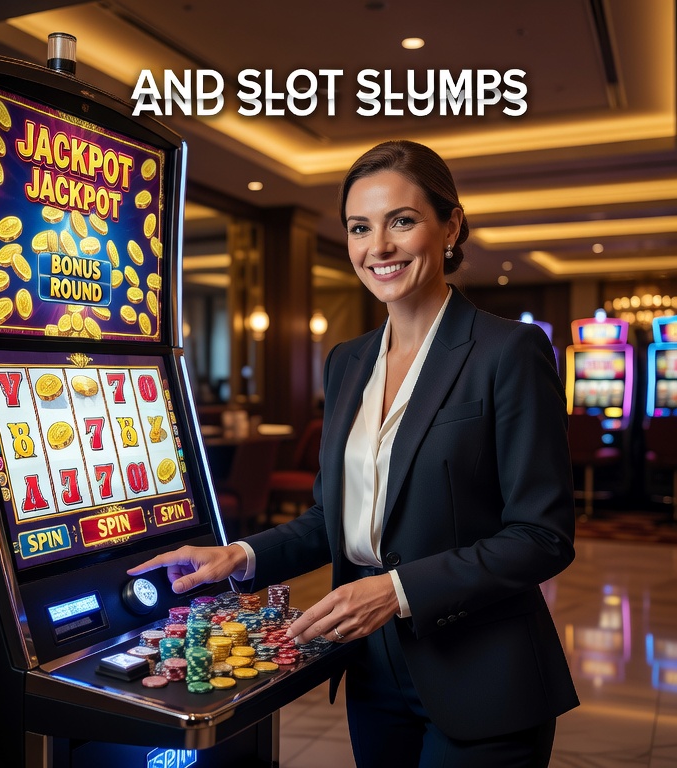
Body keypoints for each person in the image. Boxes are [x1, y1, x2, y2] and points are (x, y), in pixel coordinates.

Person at [129, 140, 578, 767]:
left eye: (402, 221)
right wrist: (242, 553)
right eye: (359, 228)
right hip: (371, 666)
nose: (379, 248)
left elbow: (542, 535)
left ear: (451, 227)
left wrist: (396, 589)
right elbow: (330, 520)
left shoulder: (510, 351)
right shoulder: (347, 361)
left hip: (481, 672)